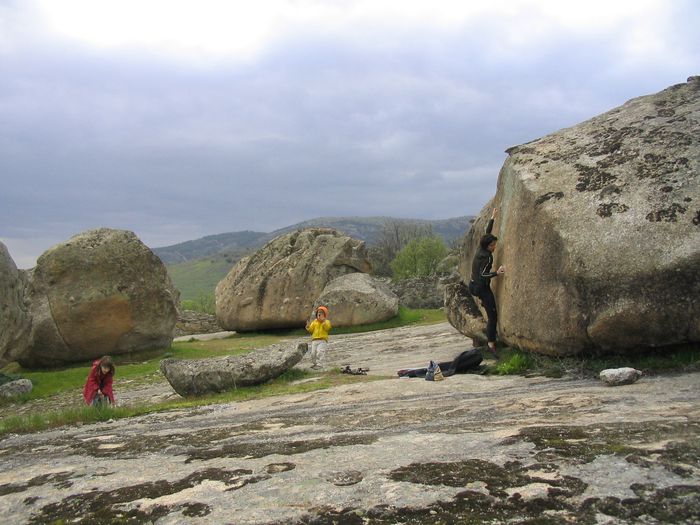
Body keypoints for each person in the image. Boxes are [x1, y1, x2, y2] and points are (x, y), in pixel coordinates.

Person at [469, 208, 505, 359]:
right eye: (493, 245)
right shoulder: (486, 257)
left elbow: (486, 232)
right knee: (493, 316)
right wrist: (497, 272)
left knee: (489, 309)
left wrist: (492, 218)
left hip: (473, 285)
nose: (494, 247)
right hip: (481, 288)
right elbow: (484, 274)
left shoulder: (480, 246)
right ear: (488, 246)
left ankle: (484, 302)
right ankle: (491, 343)